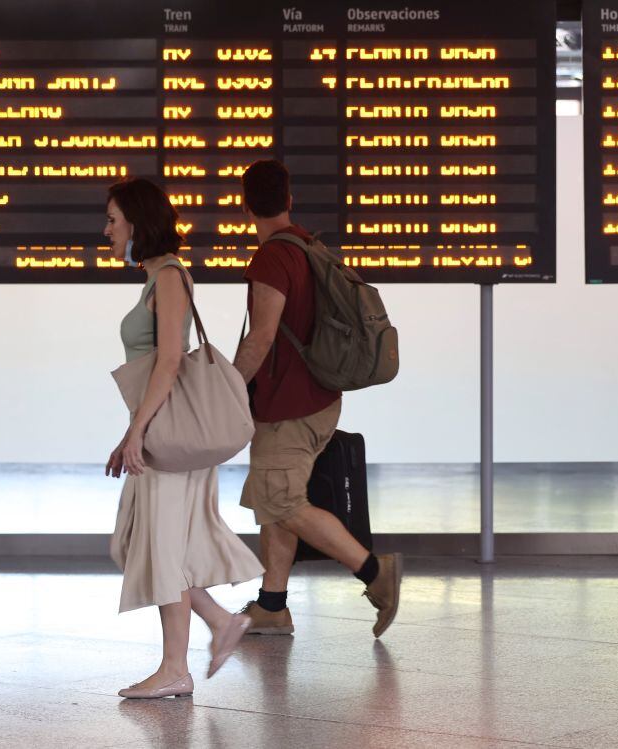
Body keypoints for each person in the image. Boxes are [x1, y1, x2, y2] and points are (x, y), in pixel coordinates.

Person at [103, 177, 264, 699]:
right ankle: (218, 623)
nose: (106, 231)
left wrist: (136, 429)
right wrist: (131, 431)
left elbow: (170, 360)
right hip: (159, 434)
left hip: (167, 441)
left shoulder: (169, 276)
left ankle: (176, 667)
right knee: (138, 543)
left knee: (158, 547)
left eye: (112, 220)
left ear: (137, 224)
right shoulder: (155, 278)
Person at [230, 159, 401, 641]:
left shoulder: (271, 259)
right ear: (289, 199)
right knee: (276, 498)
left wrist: (226, 389)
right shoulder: (308, 247)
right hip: (320, 397)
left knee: (281, 500)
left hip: (290, 404)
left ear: (246, 206)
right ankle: (272, 605)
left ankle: (374, 572)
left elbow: (260, 339)